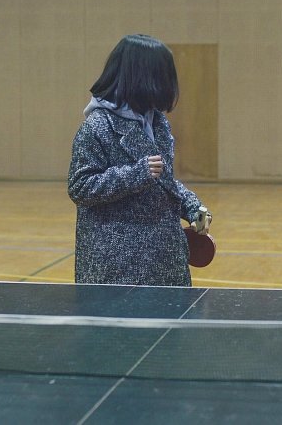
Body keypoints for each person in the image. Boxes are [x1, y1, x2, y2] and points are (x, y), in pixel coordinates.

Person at [68, 34, 212, 286]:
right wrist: (135, 174)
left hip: (164, 260)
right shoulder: (97, 126)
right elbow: (80, 187)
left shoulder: (157, 122)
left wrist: (192, 206)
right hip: (117, 267)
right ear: (143, 76)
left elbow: (164, 181)